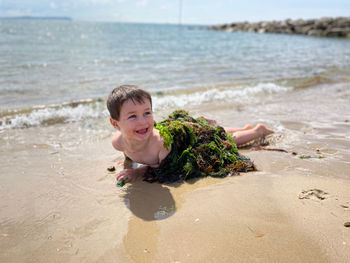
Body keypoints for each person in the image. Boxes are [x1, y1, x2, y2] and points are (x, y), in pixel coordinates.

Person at [107, 85, 274, 184]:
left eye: (147, 113)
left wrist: (136, 173)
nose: (143, 122)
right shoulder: (118, 142)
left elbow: (160, 170)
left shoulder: (159, 145)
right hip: (178, 132)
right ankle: (244, 128)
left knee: (222, 139)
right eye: (132, 116)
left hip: (187, 145)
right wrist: (128, 161)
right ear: (115, 124)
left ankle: (256, 131)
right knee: (214, 132)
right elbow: (127, 153)